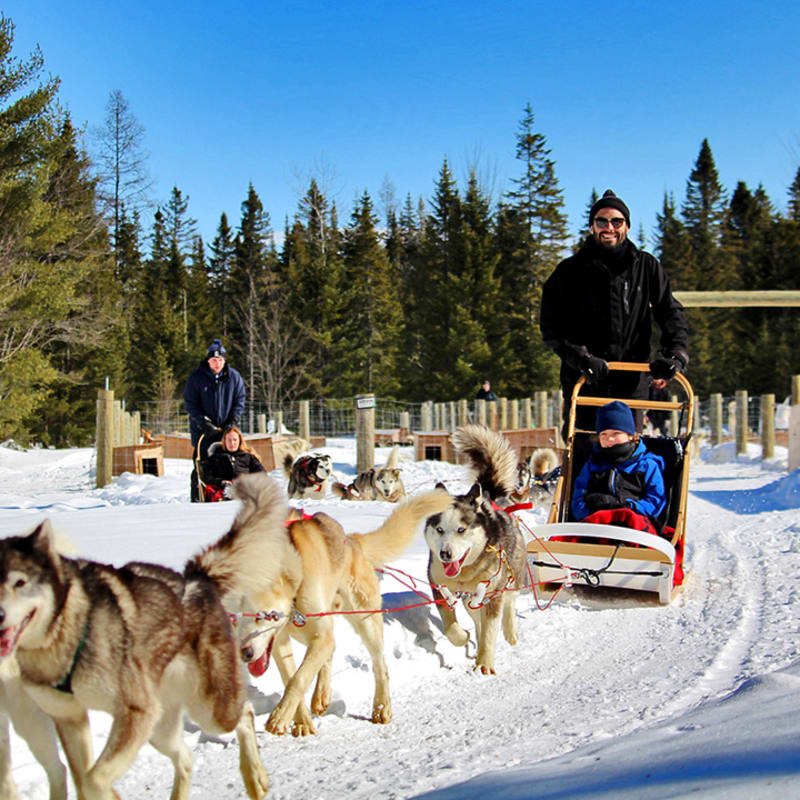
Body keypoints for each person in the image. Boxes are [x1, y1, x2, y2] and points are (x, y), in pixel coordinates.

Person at [540, 189, 689, 437]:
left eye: (616, 221)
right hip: (585, 381)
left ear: (627, 227)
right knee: (584, 452)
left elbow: (670, 311)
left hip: (630, 380)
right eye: (601, 221)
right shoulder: (568, 272)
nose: (609, 227)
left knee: (628, 451)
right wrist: (581, 358)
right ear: (591, 227)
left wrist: (675, 355)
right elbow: (551, 326)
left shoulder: (646, 267)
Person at [571, 400, 666, 530]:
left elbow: (656, 499)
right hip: (596, 523)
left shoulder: (647, 465)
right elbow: (578, 498)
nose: (609, 439)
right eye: (604, 434)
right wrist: (589, 515)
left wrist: (630, 507)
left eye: (616, 433)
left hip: (635, 523)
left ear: (630, 435)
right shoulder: (593, 464)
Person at [183, 338, 246, 501]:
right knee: (202, 464)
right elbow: (190, 403)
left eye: (220, 360)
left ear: (224, 361)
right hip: (202, 430)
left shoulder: (234, 377)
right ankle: (199, 497)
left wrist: (233, 421)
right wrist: (203, 422)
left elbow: (239, 400)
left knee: (229, 462)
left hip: (226, 429)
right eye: (213, 360)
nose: (217, 363)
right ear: (208, 361)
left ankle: (228, 495)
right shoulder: (196, 378)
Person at [199, 426, 264, 502]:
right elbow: (206, 476)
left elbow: (261, 474)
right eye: (229, 440)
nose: (232, 443)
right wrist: (221, 481)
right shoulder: (215, 457)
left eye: (234, 440)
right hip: (222, 488)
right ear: (224, 441)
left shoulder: (248, 457)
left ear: (239, 441)